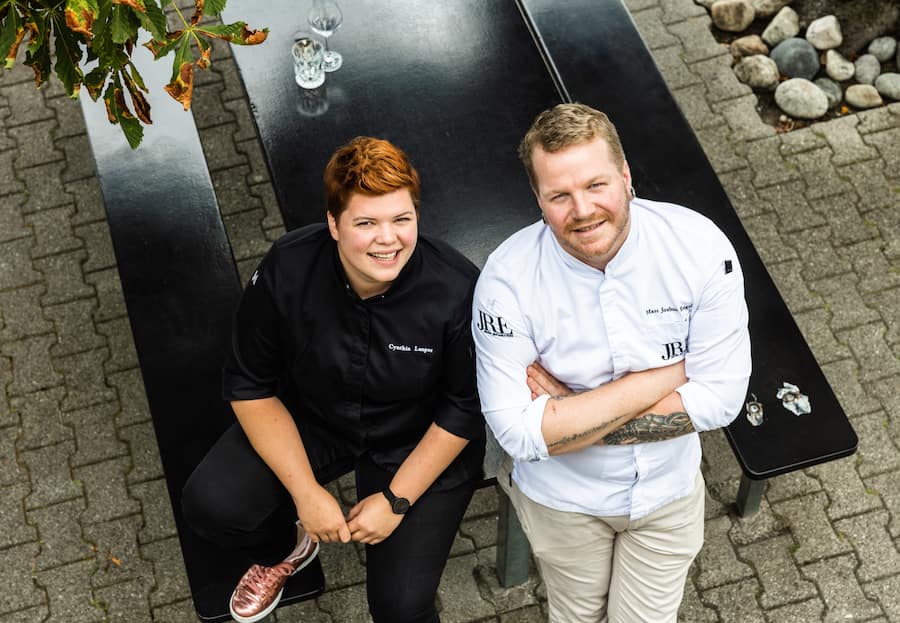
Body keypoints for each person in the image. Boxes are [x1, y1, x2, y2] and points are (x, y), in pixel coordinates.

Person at [182, 136, 485, 623]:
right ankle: (289, 547)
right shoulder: (287, 267)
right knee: (211, 506)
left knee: (401, 608)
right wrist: (305, 492)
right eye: (366, 223)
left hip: (414, 437)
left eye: (401, 219)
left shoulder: (458, 290)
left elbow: (465, 409)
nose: (388, 240)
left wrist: (396, 500)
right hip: (317, 417)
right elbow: (250, 384)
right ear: (333, 224)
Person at [472, 103, 751, 622]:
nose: (582, 210)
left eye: (596, 185)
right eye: (559, 195)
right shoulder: (506, 280)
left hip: (668, 494)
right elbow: (518, 434)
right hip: (563, 504)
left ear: (625, 177)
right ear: (538, 199)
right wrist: (670, 375)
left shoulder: (699, 247)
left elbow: (722, 401)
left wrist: (568, 415)